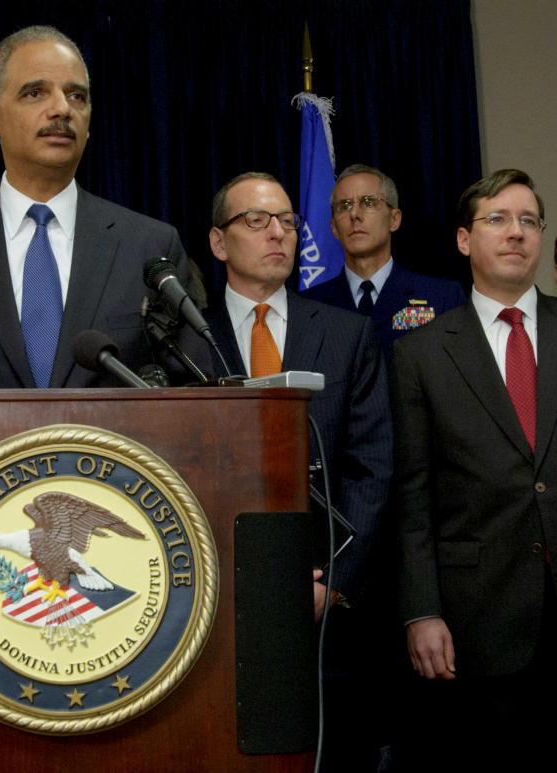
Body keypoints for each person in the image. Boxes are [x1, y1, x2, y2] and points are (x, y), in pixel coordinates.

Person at [0, 25, 208, 387]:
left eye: (77, 96)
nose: (62, 109)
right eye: (35, 93)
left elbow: (193, 394)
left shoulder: (151, 248)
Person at [205, 172, 392, 770]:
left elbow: (373, 467)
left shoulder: (344, 333)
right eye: (256, 221)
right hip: (214, 605)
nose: (278, 234)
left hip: (326, 613)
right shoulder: (185, 336)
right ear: (218, 241)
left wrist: (333, 580)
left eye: (288, 221)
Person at [391, 169, 557, 769]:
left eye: (529, 221)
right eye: (498, 219)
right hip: (477, 620)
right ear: (464, 240)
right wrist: (421, 609)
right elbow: (411, 497)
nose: (516, 233)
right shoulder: (421, 353)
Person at [301, 164, 464, 360]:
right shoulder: (308, 306)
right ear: (334, 227)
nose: (354, 214)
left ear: (394, 219)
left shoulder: (442, 298)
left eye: (368, 202)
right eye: (344, 206)